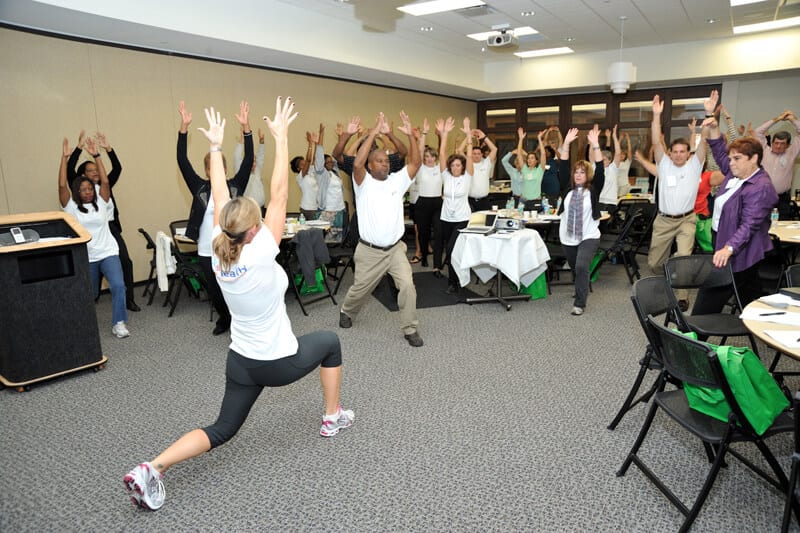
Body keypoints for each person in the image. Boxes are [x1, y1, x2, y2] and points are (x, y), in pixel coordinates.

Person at [123, 97, 354, 512]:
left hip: (241, 362)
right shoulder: (261, 249)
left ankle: (152, 466)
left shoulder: (217, 248)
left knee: (222, 428)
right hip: (277, 362)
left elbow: (218, 194)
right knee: (330, 341)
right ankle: (331, 416)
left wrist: (214, 148)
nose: (265, 217)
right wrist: (282, 139)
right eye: (259, 217)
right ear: (251, 231)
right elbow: (281, 191)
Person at [338, 111, 422, 347]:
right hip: (369, 251)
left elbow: (414, 163)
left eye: (386, 161)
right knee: (360, 289)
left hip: (395, 249)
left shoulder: (397, 180)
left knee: (407, 285)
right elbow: (355, 162)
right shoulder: (362, 182)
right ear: (370, 165)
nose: (384, 164)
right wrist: (373, 132)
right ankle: (347, 310)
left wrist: (411, 135)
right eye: (379, 161)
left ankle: (410, 328)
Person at [177, 100, 253, 336]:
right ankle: (225, 319)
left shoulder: (235, 186)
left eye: (218, 164)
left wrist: (246, 129)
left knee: (236, 288)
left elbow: (249, 159)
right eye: (210, 166)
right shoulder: (199, 187)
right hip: (206, 250)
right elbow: (182, 161)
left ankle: (240, 320)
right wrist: (183, 129)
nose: (214, 169)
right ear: (207, 170)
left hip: (232, 249)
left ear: (225, 168)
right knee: (215, 290)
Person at [693, 116, 779, 313]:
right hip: (724, 238)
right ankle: (763, 323)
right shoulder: (737, 172)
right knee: (748, 292)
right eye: (731, 159)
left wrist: (728, 248)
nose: (731, 163)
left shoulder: (760, 187)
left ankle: (688, 338)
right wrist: (714, 128)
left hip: (738, 246)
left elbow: (749, 224)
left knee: (712, 291)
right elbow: (720, 153)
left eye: (737, 158)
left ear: (754, 158)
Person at [647, 91, 714, 310]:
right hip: (664, 220)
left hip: (687, 220)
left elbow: (704, 140)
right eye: (674, 151)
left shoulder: (695, 165)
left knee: (683, 257)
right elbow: (656, 141)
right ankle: (666, 281)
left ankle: (682, 296)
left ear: (688, 153)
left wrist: (708, 113)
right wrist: (656, 115)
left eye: (681, 152)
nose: (677, 155)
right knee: (654, 263)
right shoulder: (664, 164)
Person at [58, 137, 130, 338]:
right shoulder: (70, 207)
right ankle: (84, 324)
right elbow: (62, 185)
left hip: (108, 251)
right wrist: (64, 158)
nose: (87, 192)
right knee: (91, 294)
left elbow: (105, 181)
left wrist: (97, 155)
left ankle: (119, 323)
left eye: (90, 188)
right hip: (87, 256)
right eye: (83, 189)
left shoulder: (102, 199)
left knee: (117, 285)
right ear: (77, 192)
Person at [67, 131, 140, 312]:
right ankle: (93, 297)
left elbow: (117, 168)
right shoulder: (80, 186)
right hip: (89, 231)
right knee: (95, 267)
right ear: (82, 175)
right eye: (90, 171)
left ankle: (128, 299)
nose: (95, 173)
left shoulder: (106, 184)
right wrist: (77, 148)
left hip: (110, 228)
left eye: (96, 170)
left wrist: (108, 149)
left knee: (125, 261)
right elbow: (69, 170)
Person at [557, 125, 605, 316]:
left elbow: (601, 170)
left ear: (588, 175)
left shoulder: (593, 190)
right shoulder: (567, 190)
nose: (578, 175)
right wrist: (566, 144)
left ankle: (580, 303)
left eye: (582, 172)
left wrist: (595, 146)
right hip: (568, 236)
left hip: (589, 236)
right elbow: (562, 166)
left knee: (582, 265)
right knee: (576, 269)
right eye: (576, 172)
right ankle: (580, 287)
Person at [437, 116, 473, 295]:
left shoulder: (467, 178)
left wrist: (468, 136)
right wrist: (445, 134)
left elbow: (470, 157)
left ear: (463, 166)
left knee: (452, 250)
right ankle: (454, 280)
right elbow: (442, 154)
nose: (455, 167)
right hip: (446, 219)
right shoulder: (446, 177)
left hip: (462, 219)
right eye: (453, 165)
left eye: (458, 165)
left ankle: (455, 281)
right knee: (449, 251)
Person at [754, 109, 800, 219]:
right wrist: (777, 119)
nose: (778, 146)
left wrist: (793, 120)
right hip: (763, 196)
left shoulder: (792, 152)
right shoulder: (764, 150)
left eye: (782, 144)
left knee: (781, 226)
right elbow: (758, 132)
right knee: (760, 225)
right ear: (772, 142)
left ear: (788, 145)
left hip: (782, 200)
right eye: (776, 143)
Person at [412, 118, 444, 269]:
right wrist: (424, 133)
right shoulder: (421, 168)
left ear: (435, 158)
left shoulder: (440, 168)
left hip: (437, 203)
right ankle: (423, 257)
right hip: (422, 203)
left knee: (438, 233)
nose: (429, 159)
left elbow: (443, 152)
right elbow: (418, 152)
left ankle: (437, 264)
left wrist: (444, 134)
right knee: (423, 234)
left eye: (432, 156)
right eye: (427, 156)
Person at [314, 123, 347, 242]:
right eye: (328, 162)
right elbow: (318, 160)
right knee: (326, 240)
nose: (331, 163)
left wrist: (340, 137)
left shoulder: (335, 172)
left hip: (339, 209)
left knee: (337, 240)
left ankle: (334, 260)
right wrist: (320, 137)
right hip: (328, 210)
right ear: (323, 164)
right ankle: (324, 260)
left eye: (331, 162)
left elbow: (339, 155)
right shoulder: (322, 174)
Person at [458, 129, 497, 212]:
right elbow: (459, 150)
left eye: (478, 154)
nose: (476, 156)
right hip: (470, 201)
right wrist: (468, 137)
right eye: (474, 153)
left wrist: (484, 137)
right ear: (471, 154)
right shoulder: (467, 163)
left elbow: (494, 149)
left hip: (484, 201)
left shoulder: (486, 163)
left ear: (481, 154)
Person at [233, 128, 266, 215]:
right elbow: (237, 156)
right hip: (247, 211)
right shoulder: (241, 173)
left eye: (255, 161)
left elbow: (261, 156)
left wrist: (261, 141)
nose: (254, 164)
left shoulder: (257, 171)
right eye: (252, 161)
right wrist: (242, 140)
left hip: (261, 209)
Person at [516, 127, 547, 210]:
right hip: (523, 200)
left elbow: (543, 154)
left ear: (537, 161)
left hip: (536, 199)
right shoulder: (524, 169)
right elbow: (519, 154)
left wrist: (539, 139)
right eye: (528, 158)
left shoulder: (540, 170)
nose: (529, 160)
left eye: (532, 158)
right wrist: (521, 139)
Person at [291, 130, 319, 221]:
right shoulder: (300, 176)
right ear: (298, 168)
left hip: (316, 207)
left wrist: (316, 144)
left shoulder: (310, 171)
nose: (304, 163)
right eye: (301, 164)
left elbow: (314, 159)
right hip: (307, 209)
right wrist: (310, 144)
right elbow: (308, 160)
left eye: (303, 161)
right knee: (310, 232)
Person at [598, 125, 623, 214]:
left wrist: (614, 137)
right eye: (600, 159)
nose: (601, 161)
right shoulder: (596, 168)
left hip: (610, 203)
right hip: (599, 201)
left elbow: (618, 153)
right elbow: (591, 155)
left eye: (603, 159)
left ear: (609, 160)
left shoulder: (613, 168)